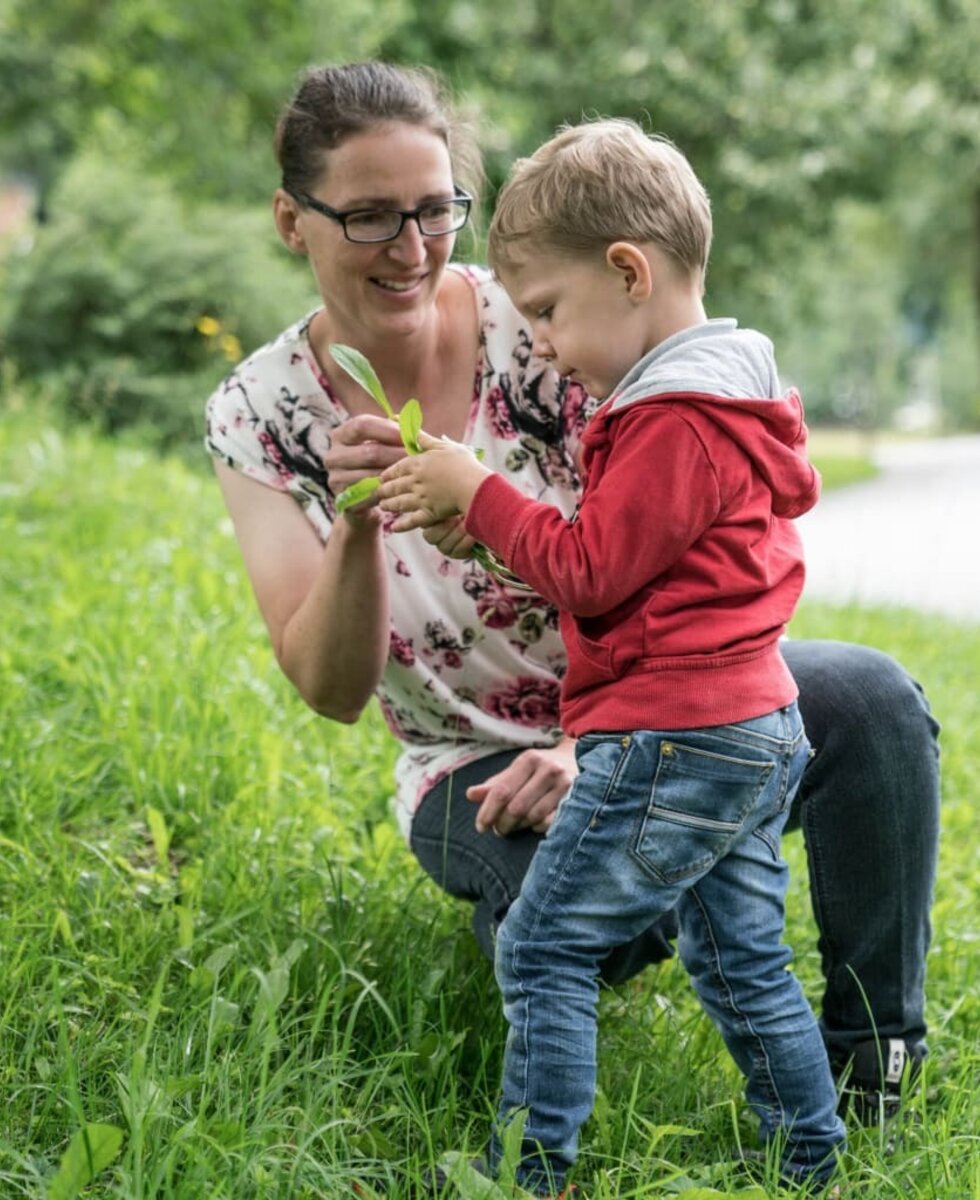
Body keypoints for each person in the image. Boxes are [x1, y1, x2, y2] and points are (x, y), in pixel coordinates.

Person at [204, 59, 939, 1177]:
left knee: (871, 702)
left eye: (435, 208)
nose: (411, 248)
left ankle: (863, 1072)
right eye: (367, 217)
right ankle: (683, 953)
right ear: (290, 220)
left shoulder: (549, 318)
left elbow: (654, 549)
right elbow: (330, 688)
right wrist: (356, 520)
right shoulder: (261, 414)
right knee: (552, 931)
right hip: (477, 762)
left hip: (662, 696)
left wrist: (585, 740)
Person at [377, 117, 848, 1194]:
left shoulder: (674, 418)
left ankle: (528, 1171)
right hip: (746, 728)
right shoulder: (727, 399)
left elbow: (592, 571)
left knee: (541, 949)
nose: (538, 341)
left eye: (546, 311)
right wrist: (485, 521)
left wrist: (481, 496)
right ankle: (808, 1159)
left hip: (671, 740)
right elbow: (640, 568)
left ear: (627, 271)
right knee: (740, 961)